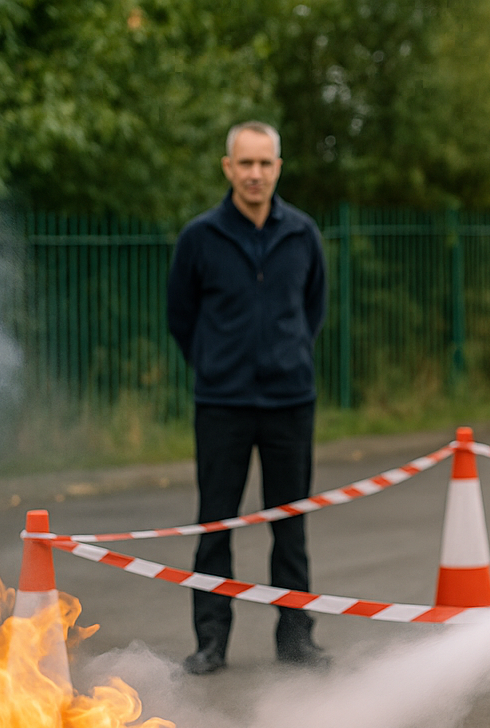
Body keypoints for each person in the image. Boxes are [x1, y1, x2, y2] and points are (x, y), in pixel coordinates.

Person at [167, 121, 330, 674]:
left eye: (264, 163)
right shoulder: (200, 237)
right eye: (245, 163)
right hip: (222, 404)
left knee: (291, 526)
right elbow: (181, 316)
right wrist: (216, 364)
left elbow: (313, 309)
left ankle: (296, 637)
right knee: (216, 525)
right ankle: (211, 642)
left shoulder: (302, 234)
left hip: (290, 401)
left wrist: (287, 355)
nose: (254, 173)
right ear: (228, 167)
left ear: (277, 168)